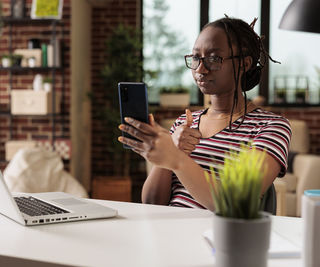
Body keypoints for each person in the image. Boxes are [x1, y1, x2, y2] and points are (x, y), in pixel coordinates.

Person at [117, 16, 291, 211]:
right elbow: (151, 203)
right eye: (196, 58)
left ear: (244, 63)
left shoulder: (271, 127)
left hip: (219, 238)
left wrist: (177, 159)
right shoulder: (185, 121)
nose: (200, 69)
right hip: (167, 232)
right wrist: (169, 153)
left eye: (214, 59)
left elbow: (237, 203)